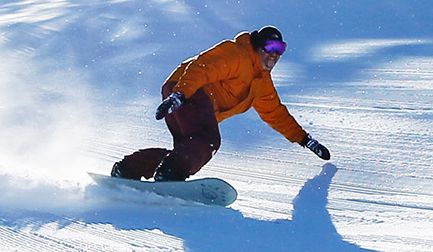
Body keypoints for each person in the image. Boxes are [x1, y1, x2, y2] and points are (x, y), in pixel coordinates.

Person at [111, 26, 331, 183]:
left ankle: (129, 169)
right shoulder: (237, 54)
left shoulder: (262, 83)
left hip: (185, 96)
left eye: (280, 49)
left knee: (186, 151)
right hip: (189, 90)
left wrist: (305, 140)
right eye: (270, 47)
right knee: (207, 142)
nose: (274, 55)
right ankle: (168, 176)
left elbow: (276, 114)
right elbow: (203, 67)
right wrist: (181, 94)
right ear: (256, 46)